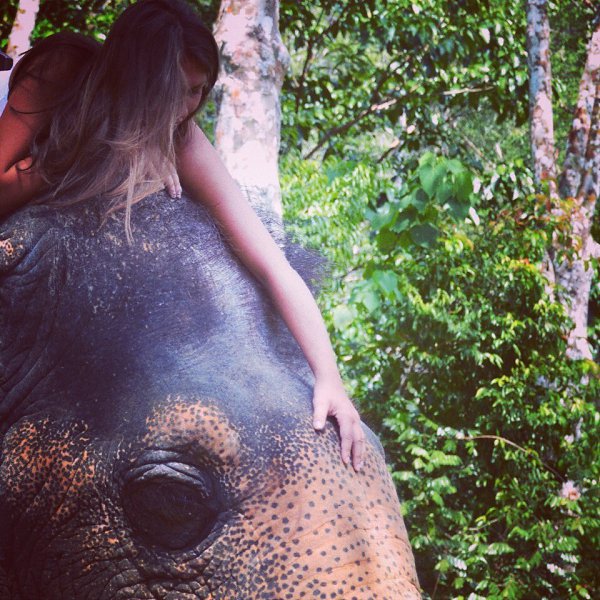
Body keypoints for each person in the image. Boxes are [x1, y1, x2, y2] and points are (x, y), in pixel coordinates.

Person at [0, 0, 365, 470]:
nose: (181, 108)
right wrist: (100, 151)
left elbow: (272, 264)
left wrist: (329, 378)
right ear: (135, 77)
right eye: (171, 91)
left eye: (195, 91)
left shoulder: (180, 136)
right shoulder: (61, 71)